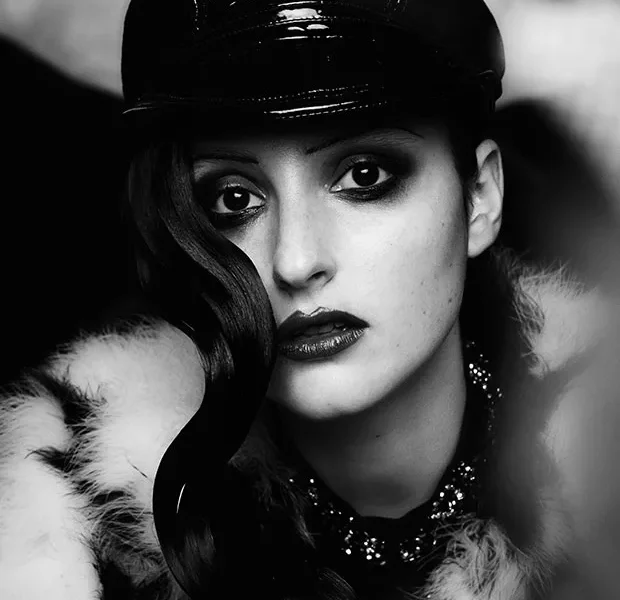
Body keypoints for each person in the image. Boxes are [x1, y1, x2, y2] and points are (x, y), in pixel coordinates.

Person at [1, 1, 619, 599]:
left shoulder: (602, 482)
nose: (295, 262)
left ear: (480, 197)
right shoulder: (74, 543)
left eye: (364, 175)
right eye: (235, 200)